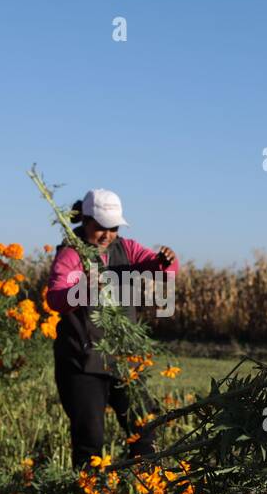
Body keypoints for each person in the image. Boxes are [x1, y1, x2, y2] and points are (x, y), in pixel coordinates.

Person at [45, 188, 179, 470]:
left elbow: (161, 270)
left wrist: (166, 261)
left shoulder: (127, 249)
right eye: (100, 228)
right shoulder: (72, 254)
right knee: (90, 439)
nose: (107, 235)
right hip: (83, 361)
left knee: (143, 430)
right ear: (86, 220)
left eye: (113, 228)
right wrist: (84, 288)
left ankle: (141, 492)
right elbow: (56, 298)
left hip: (124, 359)